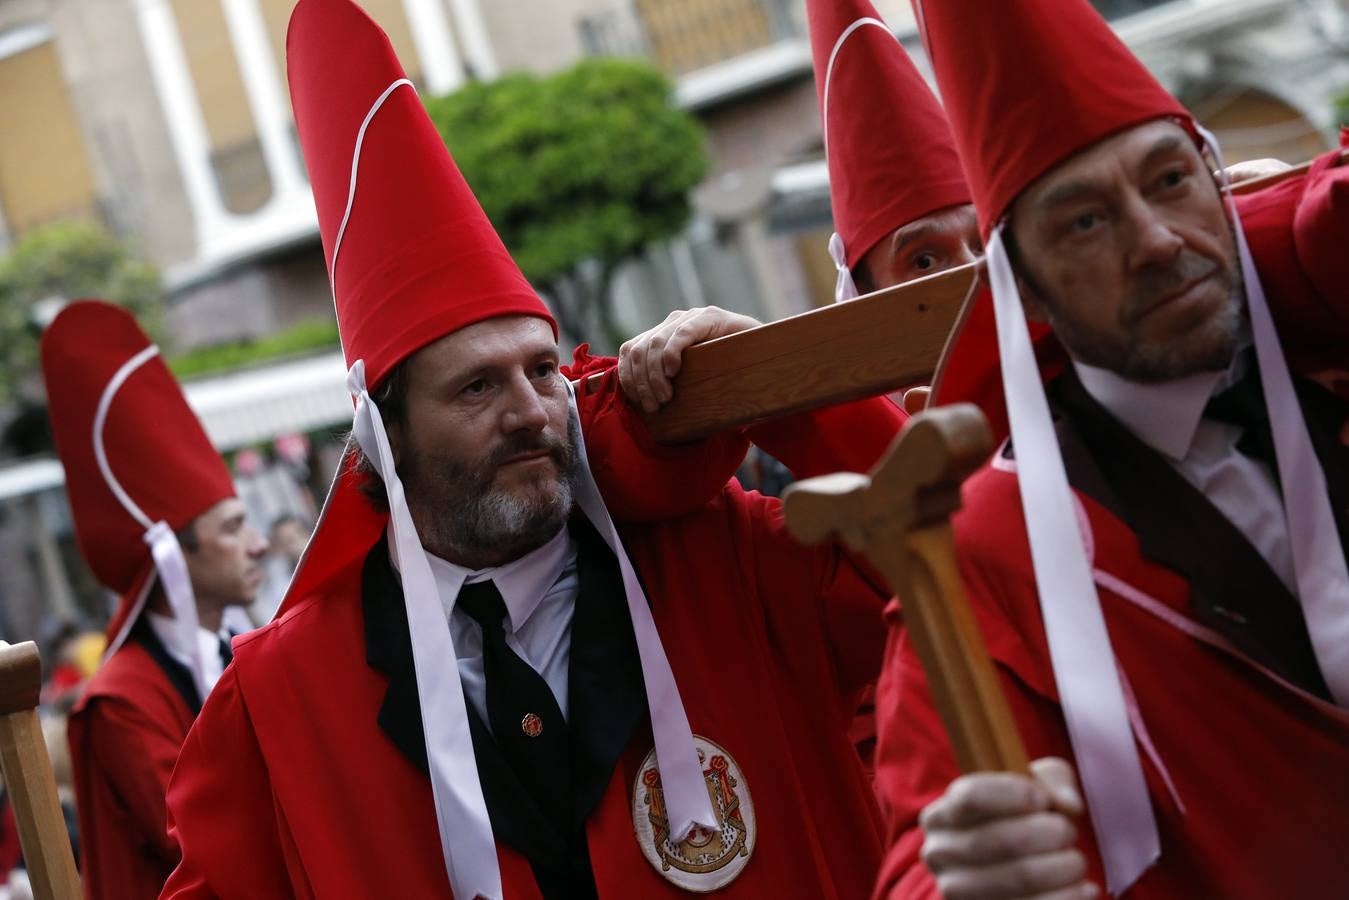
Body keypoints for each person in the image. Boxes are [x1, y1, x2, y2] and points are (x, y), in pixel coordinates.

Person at [159, 2, 897, 897]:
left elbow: (949, 559)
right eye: (476, 387)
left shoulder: (733, 560)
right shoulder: (275, 706)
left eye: (543, 371)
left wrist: (771, 383)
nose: (530, 412)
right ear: (384, 439)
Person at [874, 1, 1349, 897]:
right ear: (1028, 295)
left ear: (1223, 187)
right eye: (1084, 223)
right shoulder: (983, 547)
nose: (1157, 241)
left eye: (1170, 180)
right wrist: (970, 879)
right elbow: (920, 862)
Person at [41, 301, 268, 900]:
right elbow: (196, 847)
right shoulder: (119, 702)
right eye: (232, 528)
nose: (259, 543)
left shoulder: (244, 652)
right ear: (175, 557)